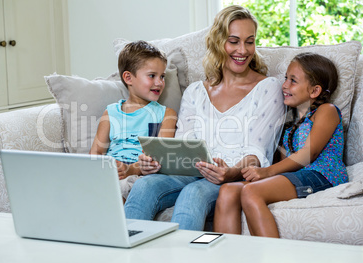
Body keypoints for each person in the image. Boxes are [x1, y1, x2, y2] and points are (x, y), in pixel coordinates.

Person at [124, 5, 286, 230]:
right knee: (144, 186)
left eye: (250, 41)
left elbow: (257, 152)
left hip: (231, 176)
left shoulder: (268, 88)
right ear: (219, 42)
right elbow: (182, 146)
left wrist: (230, 173)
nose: (243, 50)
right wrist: (154, 164)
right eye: (234, 41)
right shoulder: (195, 91)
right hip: (190, 172)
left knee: (195, 193)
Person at [213, 52, 348, 237]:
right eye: (286, 78)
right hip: (297, 176)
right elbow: (285, 165)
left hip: (321, 176)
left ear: (314, 91)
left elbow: (309, 153)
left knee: (251, 192)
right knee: (228, 190)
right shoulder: (289, 121)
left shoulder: (327, 111)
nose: (284, 85)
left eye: (293, 80)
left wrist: (266, 173)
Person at [89, 41, 177, 182]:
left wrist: (132, 169)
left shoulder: (166, 115)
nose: (159, 82)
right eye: (152, 75)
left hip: (140, 177)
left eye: (162, 76)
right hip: (110, 175)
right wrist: (108, 170)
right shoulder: (110, 113)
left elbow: (160, 158)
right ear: (128, 78)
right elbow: (96, 152)